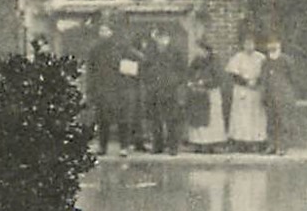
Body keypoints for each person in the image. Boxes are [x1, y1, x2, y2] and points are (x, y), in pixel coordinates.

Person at [86, 23, 139, 156]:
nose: (104, 33)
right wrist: (91, 89)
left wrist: (127, 74)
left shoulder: (122, 47)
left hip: (120, 89)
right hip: (102, 89)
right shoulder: (95, 49)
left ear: (112, 32)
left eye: (106, 30)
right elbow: (90, 71)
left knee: (123, 120)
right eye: (101, 30)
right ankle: (102, 146)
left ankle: (124, 147)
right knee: (103, 119)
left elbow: (136, 60)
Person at [139, 26, 188, 155]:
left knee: (172, 119)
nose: (162, 41)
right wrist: (148, 82)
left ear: (169, 38)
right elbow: (143, 68)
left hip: (170, 90)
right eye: (160, 38)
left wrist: (175, 81)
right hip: (154, 90)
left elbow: (182, 70)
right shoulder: (150, 52)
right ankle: (158, 145)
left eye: (165, 37)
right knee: (155, 119)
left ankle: (172, 147)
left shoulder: (176, 52)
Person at [225, 35, 267, 151]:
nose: (249, 46)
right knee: (241, 116)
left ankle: (256, 142)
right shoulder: (238, 57)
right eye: (246, 43)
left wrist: (256, 82)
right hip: (242, 90)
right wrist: (245, 82)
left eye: (251, 43)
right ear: (243, 45)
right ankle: (241, 142)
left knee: (255, 116)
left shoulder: (261, 57)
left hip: (255, 91)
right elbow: (233, 74)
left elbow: (265, 73)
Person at [185, 40, 226, 152]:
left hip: (211, 93)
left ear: (206, 50)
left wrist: (205, 82)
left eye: (201, 49)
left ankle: (212, 143)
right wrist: (191, 82)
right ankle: (198, 142)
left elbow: (219, 78)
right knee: (198, 118)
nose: (199, 52)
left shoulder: (214, 61)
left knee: (212, 119)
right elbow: (189, 73)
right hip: (198, 93)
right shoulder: (196, 61)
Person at [262, 39, 297, 155]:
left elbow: (292, 78)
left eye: (275, 43)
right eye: (270, 43)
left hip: (283, 95)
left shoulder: (286, 60)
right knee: (271, 121)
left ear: (279, 45)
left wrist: (287, 92)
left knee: (283, 121)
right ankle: (272, 144)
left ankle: (282, 146)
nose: (272, 46)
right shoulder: (266, 61)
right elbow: (264, 79)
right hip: (270, 95)